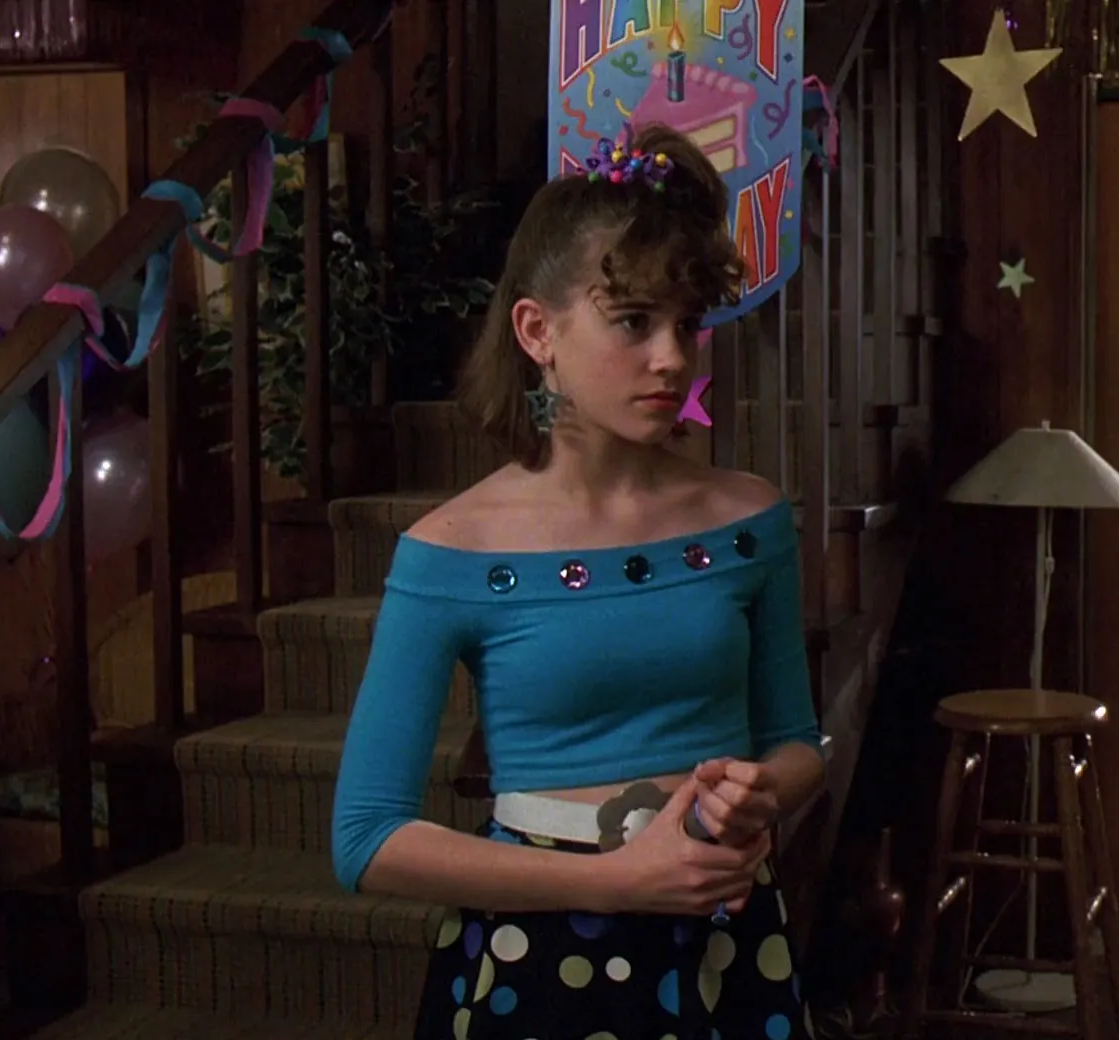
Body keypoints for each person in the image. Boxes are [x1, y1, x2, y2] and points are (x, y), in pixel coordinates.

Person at [331, 123, 825, 1040]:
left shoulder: (750, 520)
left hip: (723, 941)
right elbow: (368, 840)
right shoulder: (452, 551)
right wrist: (617, 881)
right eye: (633, 321)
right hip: (542, 957)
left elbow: (797, 740)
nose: (671, 356)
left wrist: (760, 791)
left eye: (688, 324)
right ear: (537, 331)